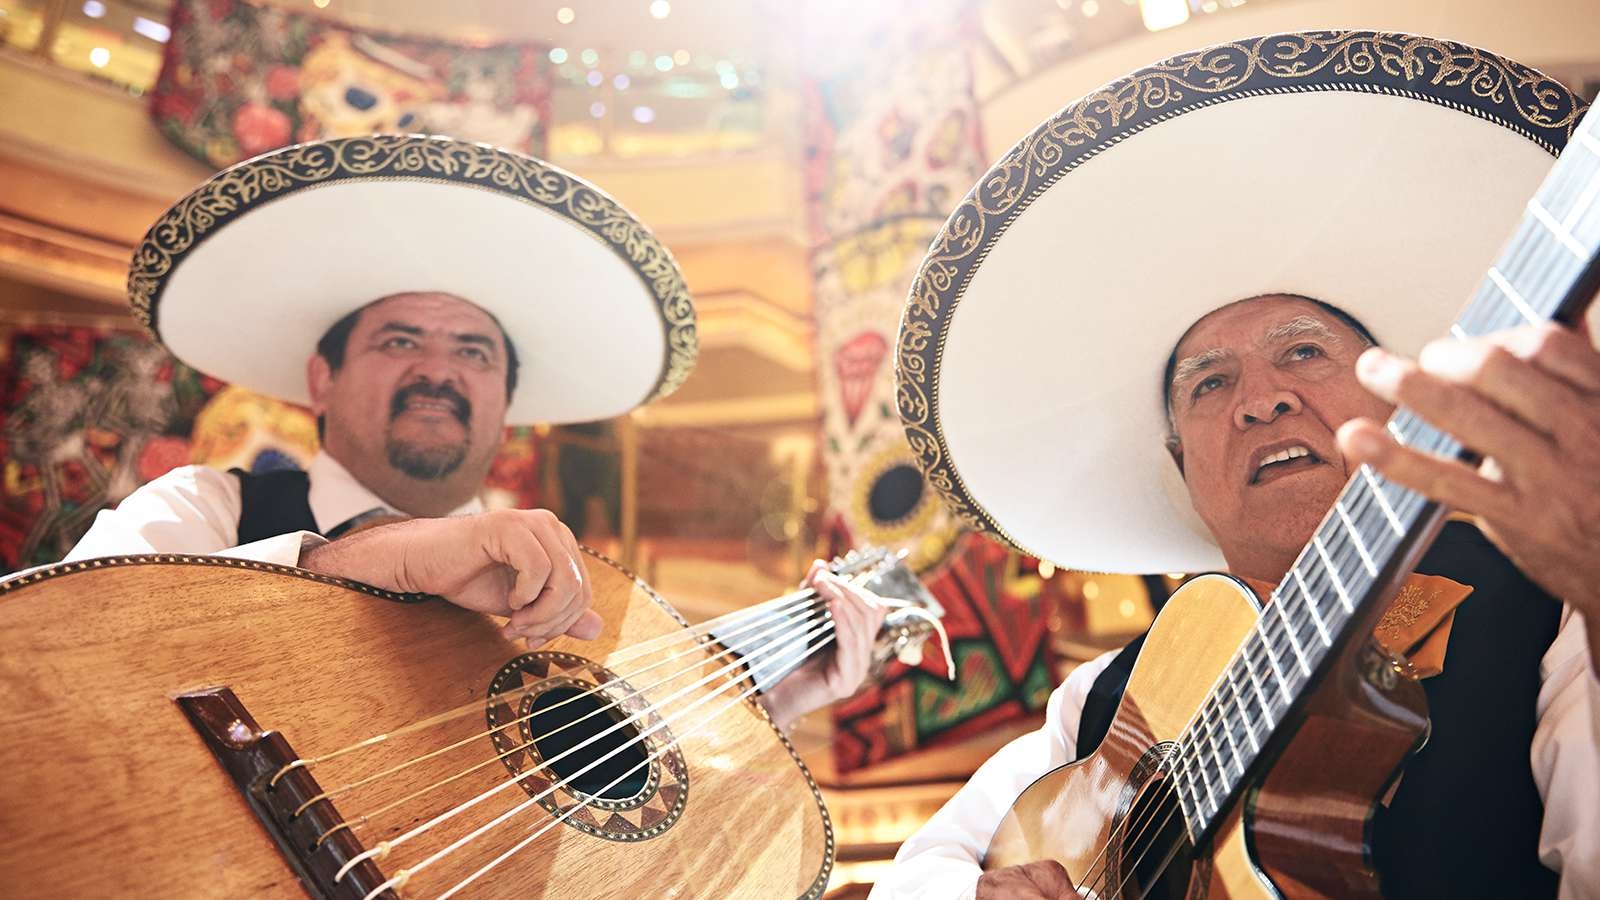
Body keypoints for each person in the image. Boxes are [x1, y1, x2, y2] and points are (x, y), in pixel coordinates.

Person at [873, 31, 1599, 899]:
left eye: (1303, 353)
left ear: (1393, 405)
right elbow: (916, 874)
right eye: (1210, 383)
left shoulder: (1556, 602)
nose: (1260, 400)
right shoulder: (1103, 701)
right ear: (1183, 464)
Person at [46, 134, 885, 731]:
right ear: (321, 378)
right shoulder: (203, 509)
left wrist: (770, 707)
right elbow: (55, 654)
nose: (438, 371)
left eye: (474, 352)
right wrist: (386, 558)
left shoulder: (561, 596)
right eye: (399, 341)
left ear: (507, 404)